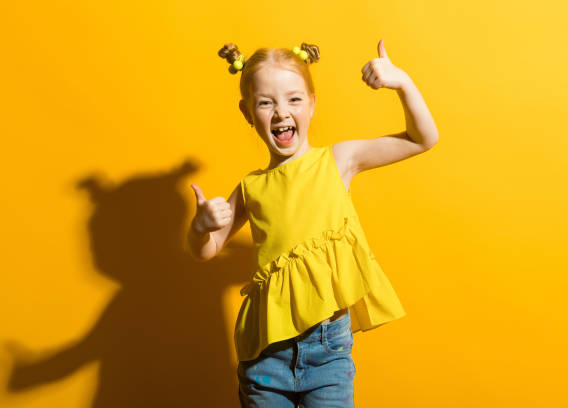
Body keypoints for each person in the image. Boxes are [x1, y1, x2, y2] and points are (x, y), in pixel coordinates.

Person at [187, 39, 438, 408]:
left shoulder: (339, 160)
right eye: (265, 102)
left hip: (327, 349)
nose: (280, 113)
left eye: (293, 99)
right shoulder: (251, 187)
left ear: (312, 104)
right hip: (264, 355)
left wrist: (402, 83)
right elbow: (206, 251)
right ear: (247, 112)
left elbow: (422, 139)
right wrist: (201, 226)